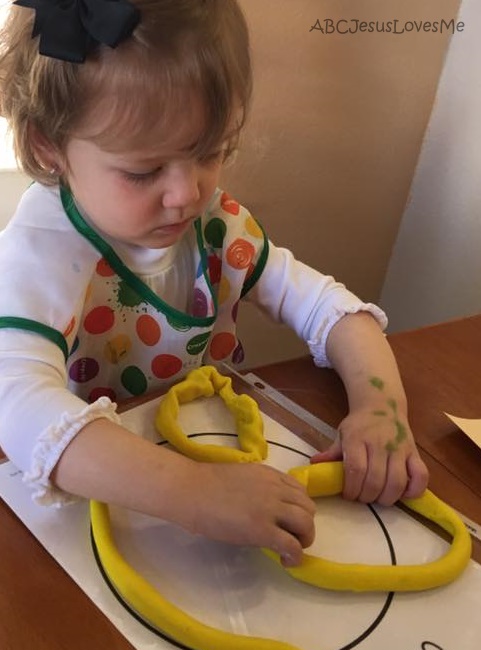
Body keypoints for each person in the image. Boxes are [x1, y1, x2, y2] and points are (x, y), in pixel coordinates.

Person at [0, 0, 428, 567]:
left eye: (211, 152)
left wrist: (380, 407)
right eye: (144, 171)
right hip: (91, 515)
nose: (187, 193)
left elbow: (331, 309)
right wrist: (192, 494)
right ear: (46, 146)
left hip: (210, 463)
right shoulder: (40, 251)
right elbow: (18, 407)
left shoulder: (215, 225)